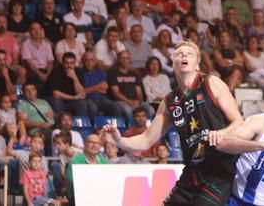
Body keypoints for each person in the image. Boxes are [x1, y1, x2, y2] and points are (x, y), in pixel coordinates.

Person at [104, 40, 244, 205]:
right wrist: (119, 141)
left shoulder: (211, 83)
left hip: (218, 169)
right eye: (179, 54)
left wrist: (221, 133)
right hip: (192, 172)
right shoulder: (170, 101)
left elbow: (238, 122)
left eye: (189, 53)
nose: (184, 55)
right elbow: (146, 140)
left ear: (197, 64)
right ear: (173, 64)